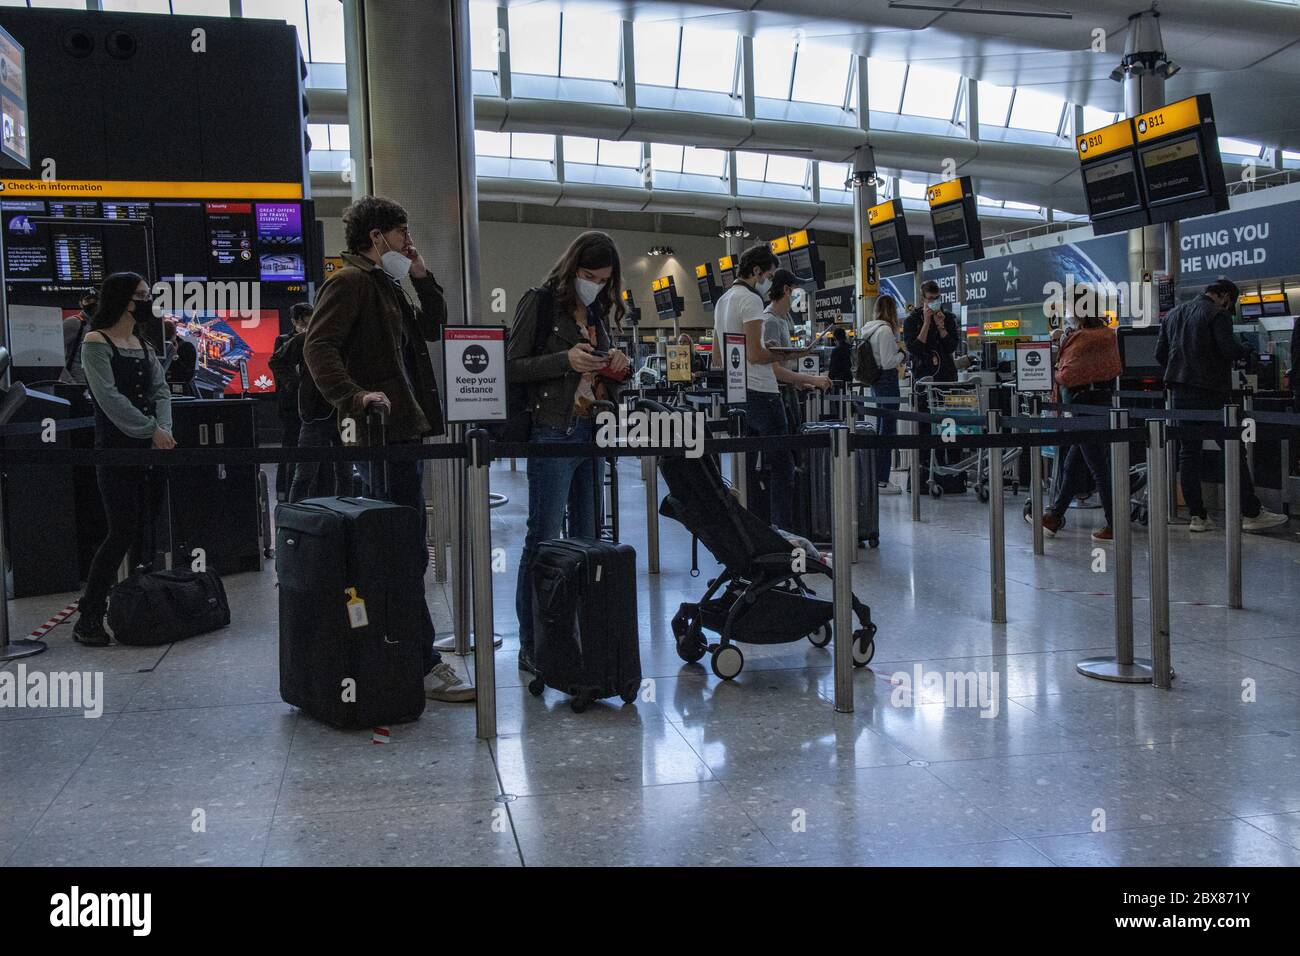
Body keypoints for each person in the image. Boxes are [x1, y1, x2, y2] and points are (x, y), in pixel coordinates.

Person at [304, 195, 474, 703]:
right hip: (381, 434)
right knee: (398, 547)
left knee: (402, 545)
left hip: (400, 431)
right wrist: (355, 397)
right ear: (377, 236)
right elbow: (319, 346)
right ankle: (416, 658)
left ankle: (407, 651)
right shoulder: (352, 281)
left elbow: (433, 325)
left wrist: (420, 273)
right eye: (403, 234)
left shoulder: (387, 283)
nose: (409, 242)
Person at [508, 231, 631, 676]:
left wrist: (619, 366)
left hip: (593, 431)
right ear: (572, 268)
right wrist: (565, 361)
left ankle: (579, 632)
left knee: (587, 539)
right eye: (588, 275)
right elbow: (511, 365)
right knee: (542, 538)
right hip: (553, 431)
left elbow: (609, 372)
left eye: (603, 278)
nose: (595, 284)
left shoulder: (599, 312)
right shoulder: (540, 302)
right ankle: (532, 643)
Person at [72, 273, 175, 646]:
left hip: (151, 449)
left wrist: (162, 427)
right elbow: (109, 398)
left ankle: (137, 606)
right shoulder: (96, 343)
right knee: (120, 533)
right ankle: (89, 616)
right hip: (117, 450)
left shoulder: (142, 344)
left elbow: (160, 390)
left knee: (146, 530)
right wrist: (152, 429)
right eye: (142, 296)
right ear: (123, 299)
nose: (147, 301)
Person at [1156, 278, 1288, 534]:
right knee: (1232, 449)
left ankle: (1197, 516)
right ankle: (1250, 512)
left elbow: (1160, 355)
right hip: (1211, 393)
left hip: (1180, 394)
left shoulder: (1173, 314)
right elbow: (1228, 350)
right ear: (1225, 296)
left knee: (1189, 453)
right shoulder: (1217, 314)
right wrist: (1246, 349)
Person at [1030, 313, 1122, 541]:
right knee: (1074, 461)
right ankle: (1054, 517)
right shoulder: (1109, 335)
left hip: (1083, 406)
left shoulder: (1081, 339)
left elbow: (1069, 374)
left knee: (1098, 467)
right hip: (1102, 403)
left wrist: (1056, 369)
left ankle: (1115, 524)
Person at [858, 295, 906, 495]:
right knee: (888, 431)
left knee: (881, 428)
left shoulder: (869, 329)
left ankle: (878, 476)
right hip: (887, 380)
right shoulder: (885, 330)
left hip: (876, 381)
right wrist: (903, 354)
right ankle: (882, 479)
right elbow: (887, 362)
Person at [269, 303, 312, 500]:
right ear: (294, 322)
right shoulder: (284, 341)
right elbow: (278, 365)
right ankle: (284, 492)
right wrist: (294, 384)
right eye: (303, 321)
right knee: (290, 446)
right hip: (290, 403)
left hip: (308, 403)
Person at [903, 280, 960, 382]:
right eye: (930, 299)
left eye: (937, 298)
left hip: (946, 374)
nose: (934, 301)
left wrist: (941, 327)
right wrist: (926, 324)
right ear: (923, 299)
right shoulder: (912, 320)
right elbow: (914, 349)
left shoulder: (948, 318)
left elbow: (952, 347)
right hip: (923, 375)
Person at [61, 290, 98, 386]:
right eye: (88, 300)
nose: (93, 303)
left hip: (94, 383)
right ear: (81, 304)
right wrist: (70, 382)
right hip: (78, 382)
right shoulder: (74, 323)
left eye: (97, 300)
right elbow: (53, 354)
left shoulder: (100, 325)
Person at [163, 318, 198, 398]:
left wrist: (175, 357)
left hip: (181, 392)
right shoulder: (157, 347)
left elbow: (188, 375)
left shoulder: (186, 347)